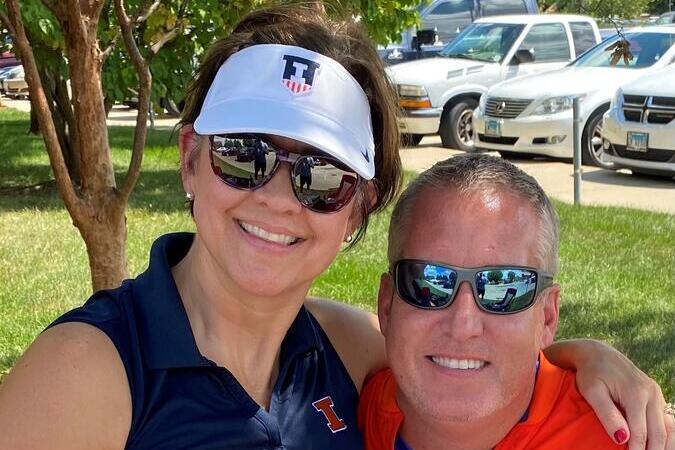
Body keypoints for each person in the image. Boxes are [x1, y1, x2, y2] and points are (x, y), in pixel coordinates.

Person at [0, 6, 669, 450]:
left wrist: (584, 355)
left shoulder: (344, 348)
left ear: (357, 206)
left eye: (320, 178)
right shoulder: (88, 371)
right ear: (190, 159)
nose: (277, 198)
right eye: (244, 155)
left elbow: (467, 344)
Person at [359, 154, 675, 450]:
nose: (463, 325)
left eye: (505, 285)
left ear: (548, 317)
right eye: (429, 281)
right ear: (386, 305)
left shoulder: (625, 438)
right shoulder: (347, 408)